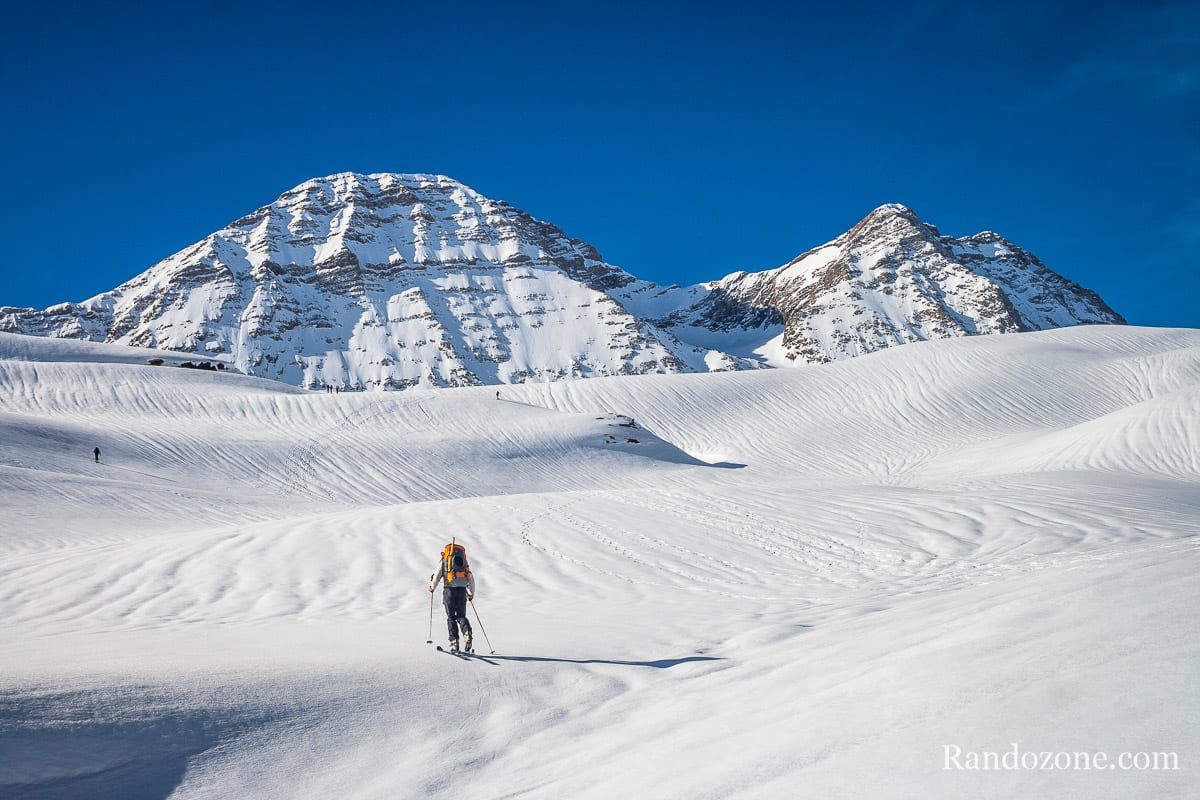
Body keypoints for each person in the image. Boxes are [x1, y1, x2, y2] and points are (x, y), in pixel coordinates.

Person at [429, 541, 475, 653]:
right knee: (461, 615)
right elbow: (470, 577)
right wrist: (471, 593)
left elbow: (437, 576)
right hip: (462, 590)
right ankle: (467, 632)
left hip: (449, 590)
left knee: (451, 617)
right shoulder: (464, 562)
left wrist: (432, 587)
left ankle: (454, 642)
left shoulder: (445, 560)